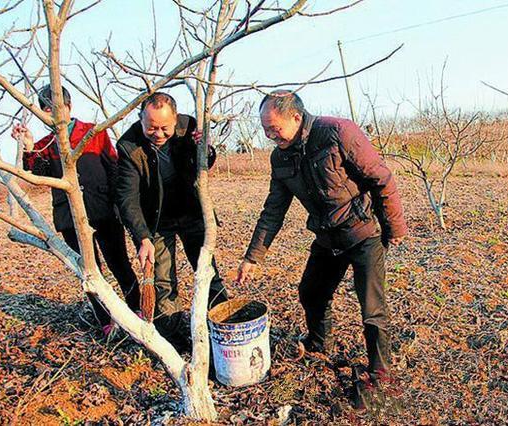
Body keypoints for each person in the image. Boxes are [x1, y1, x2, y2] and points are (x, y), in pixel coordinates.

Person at [236, 90, 407, 409]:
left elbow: (381, 178)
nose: (270, 136)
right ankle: (318, 345)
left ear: (296, 117)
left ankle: (380, 373)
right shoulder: (280, 157)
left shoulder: (338, 133)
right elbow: (274, 208)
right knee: (311, 292)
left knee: (372, 309)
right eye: (265, 130)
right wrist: (252, 256)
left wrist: (394, 227)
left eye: (275, 128)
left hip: (362, 233)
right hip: (327, 238)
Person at [12, 85, 140, 338]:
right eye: (46, 109)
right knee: (90, 273)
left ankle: (138, 311)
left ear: (69, 107)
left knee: (119, 263)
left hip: (103, 212)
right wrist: (28, 147)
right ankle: (106, 320)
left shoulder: (93, 132)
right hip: (69, 218)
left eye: (57, 107)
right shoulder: (45, 144)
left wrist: (119, 207)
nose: (52, 113)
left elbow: (113, 168)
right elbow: (38, 173)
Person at [115, 92, 228, 344]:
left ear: (175, 119)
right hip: (157, 220)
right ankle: (173, 339)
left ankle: (223, 326)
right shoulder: (128, 146)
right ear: (140, 120)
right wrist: (142, 236)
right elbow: (127, 198)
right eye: (151, 127)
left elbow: (202, 164)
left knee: (207, 272)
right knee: (164, 282)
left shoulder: (189, 127)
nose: (158, 134)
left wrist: (205, 149)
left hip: (190, 211)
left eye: (165, 128)